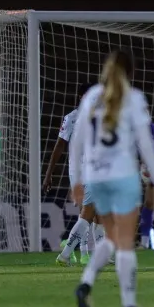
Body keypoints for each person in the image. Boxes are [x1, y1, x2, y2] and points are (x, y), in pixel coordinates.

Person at [69, 50, 154, 307]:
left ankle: (86, 284)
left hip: (96, 177)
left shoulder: (90, 97)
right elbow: (145, 144)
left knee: (112, 236)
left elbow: (76, 142)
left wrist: (75, 179)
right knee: (124, 241)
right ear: (131, 73)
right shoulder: (133, 99)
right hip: (123, 176)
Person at [44, 84, 108, 267]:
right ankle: (68, 254)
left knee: (93, 213)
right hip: (85, 173)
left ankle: (90, 254)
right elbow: (59, 147)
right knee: (88, 214)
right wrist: (49, 174)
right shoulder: (72, 118)